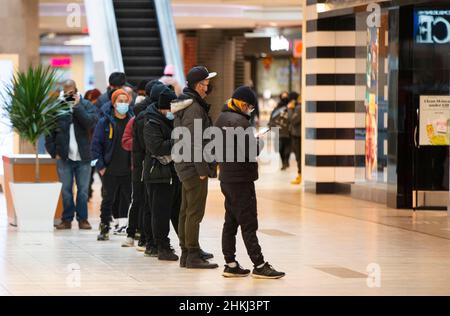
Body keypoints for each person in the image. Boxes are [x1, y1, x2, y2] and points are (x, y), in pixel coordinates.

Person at [215, 86, 285, 279]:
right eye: (249, 107)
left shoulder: (221, 118)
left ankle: (230, 262)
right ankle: (259, 264)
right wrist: (259, 141)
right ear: (242, 104)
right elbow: (251, 151)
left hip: (227, 178)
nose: (250, 110)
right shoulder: (241, 123)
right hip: (241, 179)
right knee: (248, 222)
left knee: (231, 221)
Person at [172, 66, 217, 269]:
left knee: (186, 210)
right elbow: (194, 142)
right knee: (194, 212)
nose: (208, 88)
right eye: (206, 84)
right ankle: (191, 254)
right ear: (198, 85)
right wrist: (201, 169)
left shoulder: (188, 104)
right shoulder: (194, 109)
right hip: (192, 165)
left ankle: (188, 250)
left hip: (185, 163)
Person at [45, 80, 97, 230]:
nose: (69, 95)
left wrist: (77, 106)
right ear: (63, 91)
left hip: (83, 156)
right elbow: (49, 132)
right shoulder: (56, 107)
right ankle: (66, 219)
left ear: (76, 90)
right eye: (66, 92)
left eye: (71, 92)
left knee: (83, 190)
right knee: (66, 190)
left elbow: (89, 123)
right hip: (64, 156)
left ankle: (83, 219)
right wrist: (54, 152)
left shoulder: (86, 104)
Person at [120, 81, 160, 249]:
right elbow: (126, 141)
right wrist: (141, 144)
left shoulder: (150, 117)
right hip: (138, 165)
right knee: (138, 200)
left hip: (147, 165)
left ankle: (144, 236)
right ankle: (131, 234)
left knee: (147, 203)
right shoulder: (137, 119)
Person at [143, 88, 181, 261]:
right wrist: (179, 140)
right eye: (170, 109)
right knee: (160, 213)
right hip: (158, 174)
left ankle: (188, 245)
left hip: (174, 173)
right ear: (163, 108)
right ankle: (162, 247)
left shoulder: (171, 120)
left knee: (177, 211)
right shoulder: (151, 122)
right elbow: (157, 147)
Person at [91, 89, 133, 241]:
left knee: (130, 199)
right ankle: (104, 228)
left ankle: (129, 227)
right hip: (110, 169)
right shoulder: (105, 122)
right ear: (114, 103)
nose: (123, 104)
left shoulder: (132, 121)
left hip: (128, 169)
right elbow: (96, 146)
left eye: (125, 101)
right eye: (120, 101)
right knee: (108, 200)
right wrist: (101, 166)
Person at [135, 81, 167, 256]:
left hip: (146, 165)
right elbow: (148, 145)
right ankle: (150, 241)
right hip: (148, 166)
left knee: (149, 205)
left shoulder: (147, 114)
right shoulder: (148, 117)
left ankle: (149, 241)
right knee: (149, 205)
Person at [269, 92, 291, 170]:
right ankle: (284, 162)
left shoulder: (290, 107)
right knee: (280, 148)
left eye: (286, 96)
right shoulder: (278, 107)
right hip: (279, 131)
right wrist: (271, 126)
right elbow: (272, 117)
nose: (284, 98)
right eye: (283, 96)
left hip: (288, 131)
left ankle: (286, 161)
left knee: (287, 147)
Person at [288, 92, 302, 185]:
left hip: (297, 135)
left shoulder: (298, 108)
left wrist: (290, 109)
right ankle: (300, 174)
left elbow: (292, 120)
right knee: (298, 156)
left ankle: (300, 174)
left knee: (299, 156)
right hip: (297, 134)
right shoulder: (299, 107)